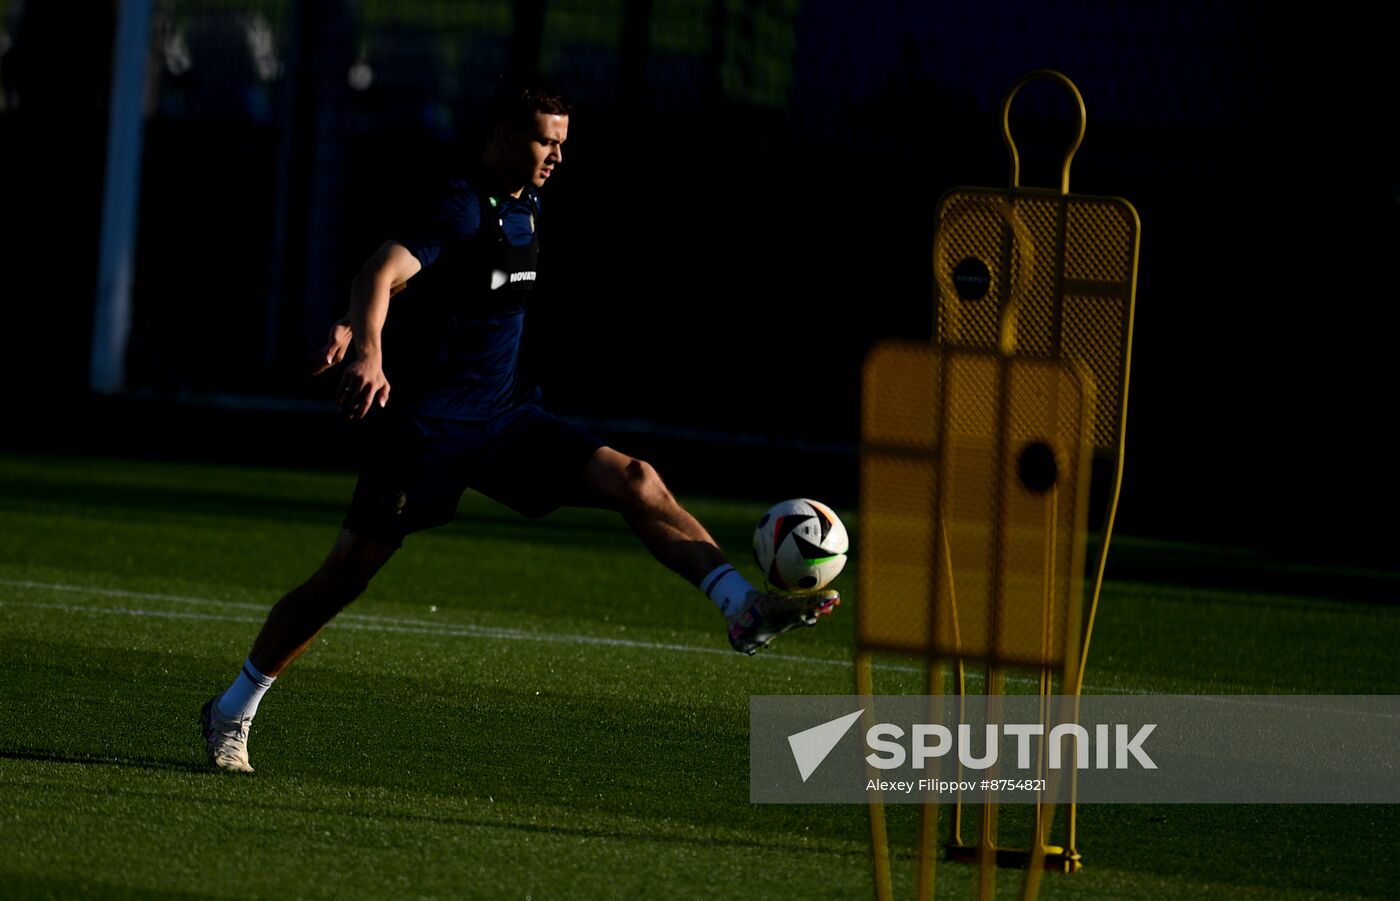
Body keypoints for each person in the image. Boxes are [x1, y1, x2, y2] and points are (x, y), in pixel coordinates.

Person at [199, 77, 840, 773]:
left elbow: (419, 282)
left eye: (563, 143)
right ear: (504, 133)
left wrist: (356, 322)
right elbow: (382, 270)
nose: (557, 156)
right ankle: (231, 708)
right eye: (545, 140)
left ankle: (742, 606)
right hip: (429, 431)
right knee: (344, 577)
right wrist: (367, 346)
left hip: (504, 419)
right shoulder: (460, 203)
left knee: (635, 477)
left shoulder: (526, 199)